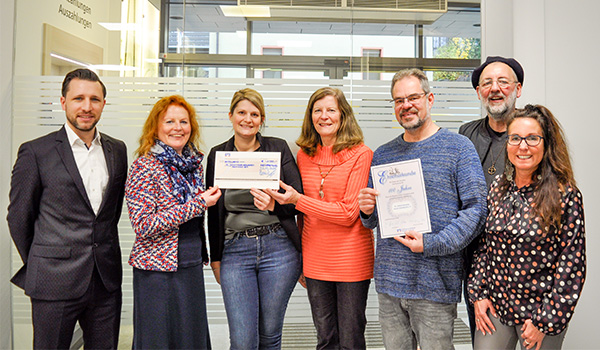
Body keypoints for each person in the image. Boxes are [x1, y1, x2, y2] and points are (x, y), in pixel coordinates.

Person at [358, 68, 487, 350]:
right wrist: (367, 210)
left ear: (430, 98)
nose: (406, 105)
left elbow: (476, 211)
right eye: (398, 100)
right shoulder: (383, 154)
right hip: (390, 281)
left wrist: (432, 244)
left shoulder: (459, 148)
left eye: (413, 97)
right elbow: (373, 221)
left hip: (435, 284)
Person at [7, 68, 127, 349]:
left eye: (94, 99)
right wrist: (43, 258)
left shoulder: (117, 150)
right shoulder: (36, 152)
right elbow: (19, 217)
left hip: (105, 281)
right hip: (53, 280)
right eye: (78, 99)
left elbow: (110, 215)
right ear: (63, 102)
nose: (87, 107)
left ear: (103, 104)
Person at [468, 104, 586, 350]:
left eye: (532, 138)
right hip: (497, 308)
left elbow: (572, 265)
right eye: (516, 138)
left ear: (546, 143)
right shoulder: (497, 188)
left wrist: (545, 322)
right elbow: (483, 247)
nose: (523, 146)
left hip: (539, 314)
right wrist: (478, 294)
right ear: (507, 143)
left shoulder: (565, 195)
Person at [267, 87, 374, 350]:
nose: (324, 116)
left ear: (343, 115)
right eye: (317, 110)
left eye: (330, 110)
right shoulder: (304, 155)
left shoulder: (362, 154)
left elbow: (349, 213)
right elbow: (303, 216)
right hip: (315, 260)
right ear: (310, 116)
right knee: (325, 339)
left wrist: (297, 200)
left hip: (352, 260)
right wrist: (303, 258)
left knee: (351, 339)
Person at [206, 88, 302, 350]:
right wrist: (215, 257)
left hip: (279, 248)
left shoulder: (278, 148)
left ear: (261, 119)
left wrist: (274, 205)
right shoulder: (217, 155)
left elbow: (298, 201)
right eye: (242, 113)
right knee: (242, 340)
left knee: (270, 335)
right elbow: (213, 211)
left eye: (254, 114)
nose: (247, 119)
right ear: (231, 115)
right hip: (235, 251)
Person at [126, 95, 221, 349]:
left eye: (183, 121)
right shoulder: (144, 166)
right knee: (158, 340)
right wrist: (198, 204)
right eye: (169, 121)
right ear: (155, 127)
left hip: (189, 264)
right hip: (157, 271)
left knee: (192, 339)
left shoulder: (193, 165)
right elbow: (143, 225)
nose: (178, 128)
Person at [459, 56, 525, 344]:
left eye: (503, 82)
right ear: (478, 92)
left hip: (522, 258)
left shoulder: (531, 131)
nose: (494, 89)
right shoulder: (466, 134)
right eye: (486, 83)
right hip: (474, 258)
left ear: (517, 89)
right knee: (484, 336)